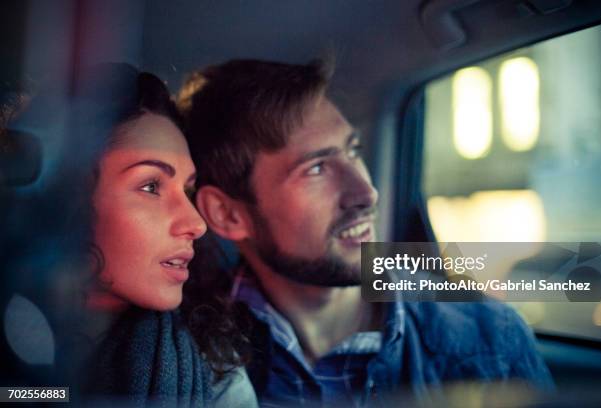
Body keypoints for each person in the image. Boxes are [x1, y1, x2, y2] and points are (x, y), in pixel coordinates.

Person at [178, 59, 554, 407]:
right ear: (227, 214)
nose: (366, 193)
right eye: (316, 169)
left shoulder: (490, 339)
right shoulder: (189, 363)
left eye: (353, 150)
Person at [32, 63, 257, 407]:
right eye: (151, 186)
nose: (196, 224)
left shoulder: (216, 373)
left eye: (187, 190)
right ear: (66, 198)